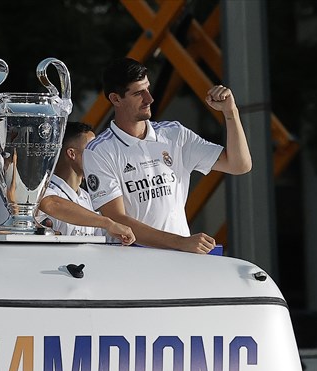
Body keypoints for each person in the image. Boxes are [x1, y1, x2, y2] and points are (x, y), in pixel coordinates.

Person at [83, 57, 252, 253]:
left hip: (180, 258)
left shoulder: (175, 134)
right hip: (133, 262)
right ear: (115, 99)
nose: (149, 98)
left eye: (148, 88)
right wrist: (180, 242)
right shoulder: (99, 150)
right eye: (138, 93)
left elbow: (239, 165)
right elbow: (116, 220)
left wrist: (230, 113)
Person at [36, 121, 134, 244]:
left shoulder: (88, 197)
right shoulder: (44, 190)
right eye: (91, 149)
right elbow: (52, 204)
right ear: (72, 154)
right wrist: (107, 223)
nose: (97, 155)